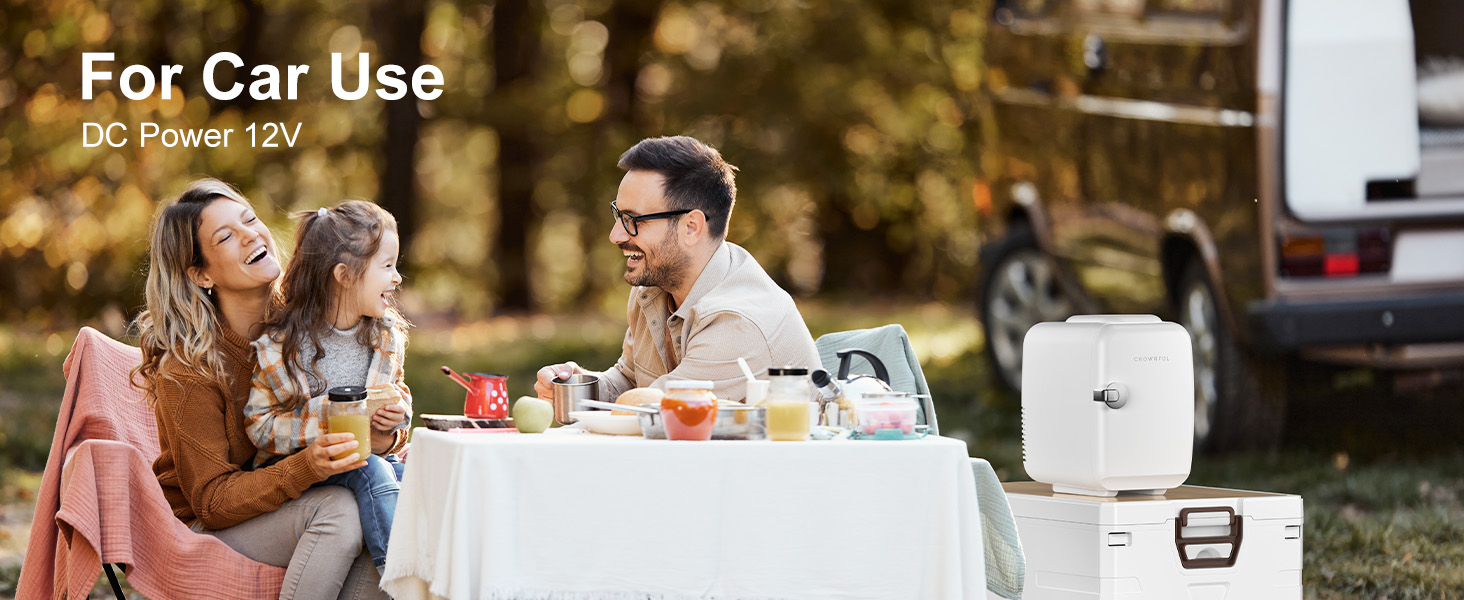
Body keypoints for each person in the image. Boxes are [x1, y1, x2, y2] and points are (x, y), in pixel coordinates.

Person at [131, 178, 394, 599]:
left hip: (297, 498)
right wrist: (310, 465)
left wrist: (381, 434)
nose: (251, 234)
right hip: (208, 525)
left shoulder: (307, 324)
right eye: (226, 236)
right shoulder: (188, 369)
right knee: (340, 512)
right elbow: (212, 502)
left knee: (382, 504)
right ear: (200, 273)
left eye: (250, 219)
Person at [535, 136, 822, 402]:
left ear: (691, 227)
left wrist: (589, 402)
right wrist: (575, 385)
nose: (616, 235)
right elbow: (630, 381)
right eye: (618, 215)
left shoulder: (737, 323)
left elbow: (649, 414)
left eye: (634, 220)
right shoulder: (653, 288)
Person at [244, 201, 411, 576]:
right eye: (387, 266)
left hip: (371, 459)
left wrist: (397, 415)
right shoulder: (281, 346)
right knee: (372, 470)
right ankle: (399, 576)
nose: (398, 277)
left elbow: (398, 394)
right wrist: (336, 418)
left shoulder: (385, 337)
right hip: (304, 471)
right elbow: (259, 427)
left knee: (414, 475)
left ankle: (440, 574)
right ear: (344, 275)